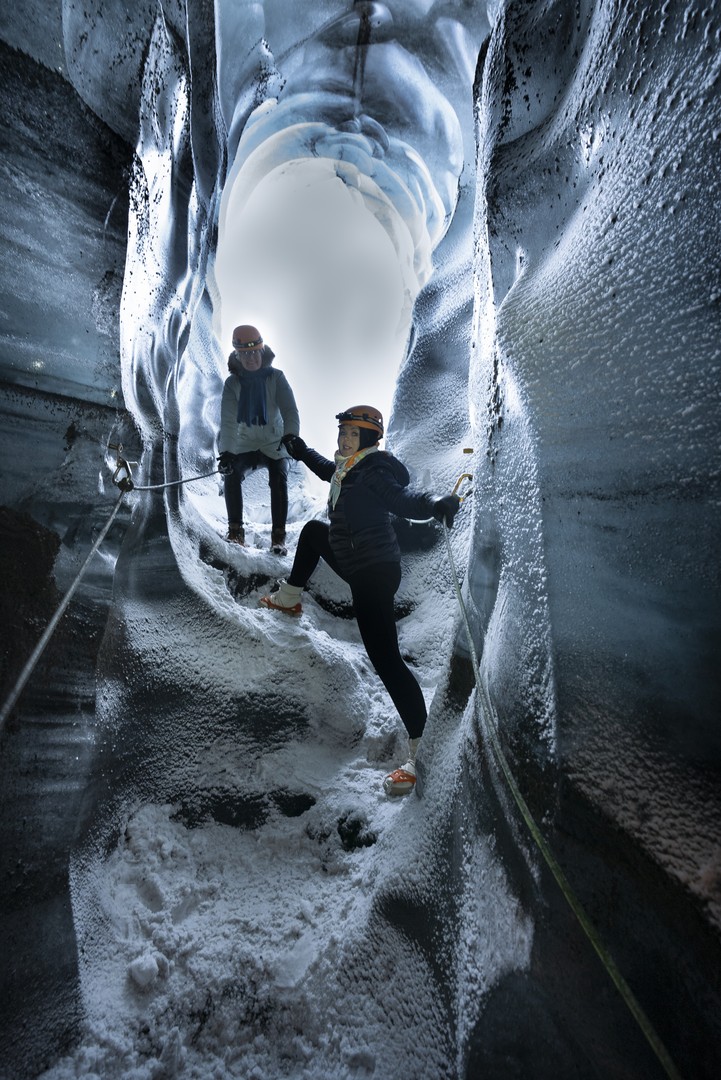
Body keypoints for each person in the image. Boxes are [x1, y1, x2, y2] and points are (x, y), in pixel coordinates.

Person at [259, 406, 460, 796]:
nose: (344, 439)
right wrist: (299, 449)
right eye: (343, 433)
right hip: (357, 562)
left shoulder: (374, 471)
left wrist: (434, 504)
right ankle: (288, 598)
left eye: (353, 434)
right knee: (316, 532)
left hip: (373, 571)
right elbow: (324, 468)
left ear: (369, 440)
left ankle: (422, 753)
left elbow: (401, 499)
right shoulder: (347, 471)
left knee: (387, 661)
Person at [217, 324, 300, 555]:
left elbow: (290, 411)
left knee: (279, 478)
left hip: (274, 444)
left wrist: (291, 437)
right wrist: (227, 453)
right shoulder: (232, 384)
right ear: (237, 354)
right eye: (244, 353)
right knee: (231, 475)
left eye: (254, 352)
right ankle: (235, 531)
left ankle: (278, 537)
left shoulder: (276, 378)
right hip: (244, 445)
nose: (250, 358)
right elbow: (229, 422)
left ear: (261, 351)